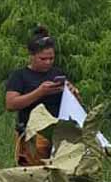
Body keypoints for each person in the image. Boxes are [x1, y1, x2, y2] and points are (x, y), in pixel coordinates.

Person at [5, 26, 76, 166]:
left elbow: (73, 106)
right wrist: (40, 92)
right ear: (32, 56)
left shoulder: (57, 73)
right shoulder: (19, 76)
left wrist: (73, 94)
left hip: (57, 134)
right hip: (32, 134)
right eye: (43, 59)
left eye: (51, 58)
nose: (48, 62)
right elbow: (11, 104)